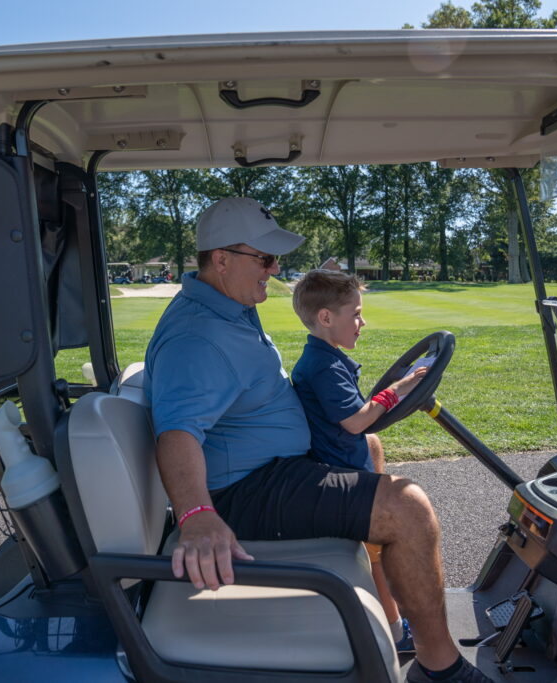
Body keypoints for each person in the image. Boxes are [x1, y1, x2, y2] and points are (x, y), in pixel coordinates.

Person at [144, 197, 490, 683]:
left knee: (370, 450)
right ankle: (440, 666)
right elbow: (176, 433)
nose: (274, 268)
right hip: (245, 489)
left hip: (269, 469)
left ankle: (392, 615)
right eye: (263, 259)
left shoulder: (227, 306)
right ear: (221, 259)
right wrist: (198, 517)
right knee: (408, 505)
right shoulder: (198, 337)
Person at [290, 268, 428, 655]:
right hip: (338, 474)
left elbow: (360, 423)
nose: (362, 322)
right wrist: (398, 389)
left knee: (375, 443)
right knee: (382, 547)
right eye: (356, 313)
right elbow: (355, 421)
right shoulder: (324, 366)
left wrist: (387, 395)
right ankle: (396, 630)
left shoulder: (324, 357)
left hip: (341, 460)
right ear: (326, 318)